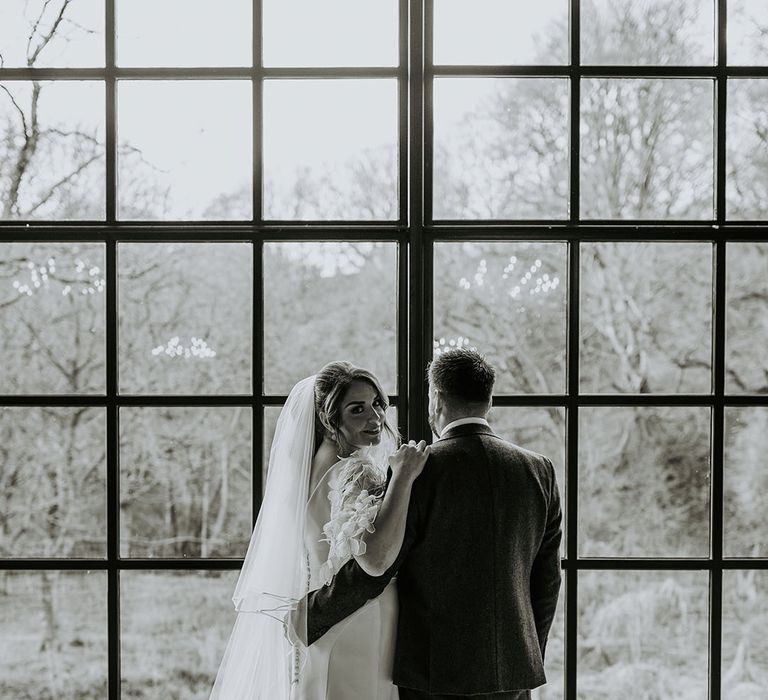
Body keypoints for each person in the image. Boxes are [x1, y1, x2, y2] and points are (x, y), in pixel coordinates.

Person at [301, 348, 563, 699]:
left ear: (435, 399)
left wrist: (311, 615)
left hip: (433, 672)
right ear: (489, 399)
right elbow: (547, 580)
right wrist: (526, 655)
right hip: (515, 670)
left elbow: (375, 566)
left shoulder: (416, 471)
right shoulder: (539, 469)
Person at [209, 361, 429, 700]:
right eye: (357, 409)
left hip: (317, 619)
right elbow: (376, 557)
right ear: (329, 420)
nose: (375, 418)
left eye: (377, 404)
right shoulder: (357, 472)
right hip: (361, 619)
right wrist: (403, 477)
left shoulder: (304, 475)